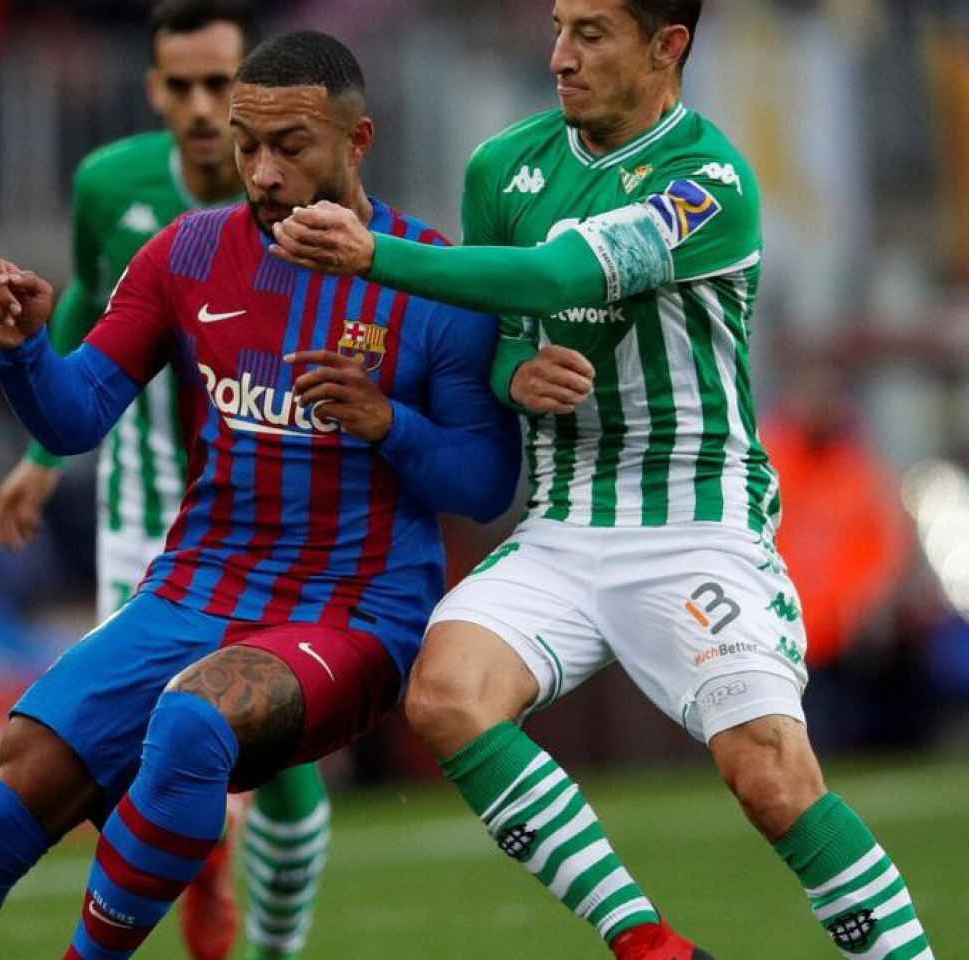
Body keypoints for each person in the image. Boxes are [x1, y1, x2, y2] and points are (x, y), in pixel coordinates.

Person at [268, 2, 936, 958]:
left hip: (696, 523)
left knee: (772, 780)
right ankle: (649, 947)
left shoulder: (709, 181)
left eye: (591, 34)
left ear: (668, 47)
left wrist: (377, 254)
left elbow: (555, 276)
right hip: (564, 524)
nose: (559, 57)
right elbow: (498, 337)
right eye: (557, 26)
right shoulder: (506, 165)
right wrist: (514, 377)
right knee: (447, 693)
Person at [0, 30, 519, 960]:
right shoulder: (188, 253)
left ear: (357, 140)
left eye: (288, 147)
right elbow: (74, 417)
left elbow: (486, 484)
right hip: (193, 589)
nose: (259, 171)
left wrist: (386, 422)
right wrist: (21, 351)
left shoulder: (430, 278)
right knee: (14, 786)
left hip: (353, 612)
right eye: (247, 145)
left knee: (193, 717)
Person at [0, 3, 334, 957]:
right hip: (147, 522)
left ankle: (267, 941)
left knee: (296, 811)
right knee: (153, 756)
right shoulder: (111, 185)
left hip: (274, 530)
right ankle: (199, 873)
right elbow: (91, 322)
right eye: (179, 86)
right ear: (153, 89)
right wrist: (43, 456)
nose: (198, 105)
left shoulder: (310, 205)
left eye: (219, 84)